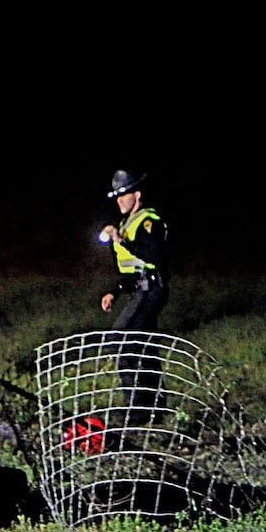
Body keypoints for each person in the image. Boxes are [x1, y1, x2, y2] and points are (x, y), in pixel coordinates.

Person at [97, 169, 168, 411]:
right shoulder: (125, 224)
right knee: (144, 345)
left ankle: (137, 408)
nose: (119, 201)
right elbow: (130, 270)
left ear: (137, 195)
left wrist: (121, 239)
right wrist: (114, 292)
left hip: (152, 289)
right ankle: (156, 407)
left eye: (124, 195)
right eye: (117, 197)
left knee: (121, 340)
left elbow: (154, 255)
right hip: (140, 289)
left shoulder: (149, 221)